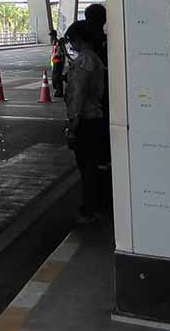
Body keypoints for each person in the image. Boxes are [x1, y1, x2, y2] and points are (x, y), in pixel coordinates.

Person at [62, 19, 108, 223]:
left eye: (72, 41)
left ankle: (88, 210)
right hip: (96, 118)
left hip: (85, 120)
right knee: (94, 166)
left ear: (79, 39)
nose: (71, 45)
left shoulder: (82, 62)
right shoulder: (96, 59)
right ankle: (95, 206)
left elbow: (77, 94)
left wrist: (73, 123)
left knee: (86, 167)